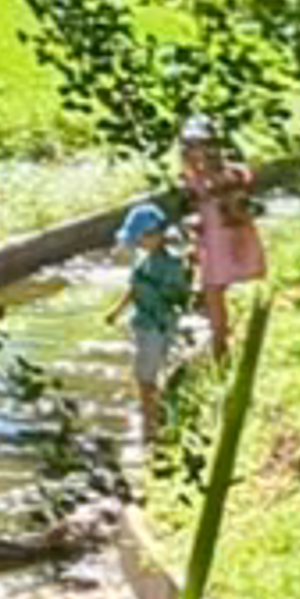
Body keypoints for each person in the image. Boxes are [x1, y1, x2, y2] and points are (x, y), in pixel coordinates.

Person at [178, 110, 268, 359]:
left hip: (224, 242)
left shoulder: (220, 178)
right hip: (216, 242)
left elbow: (234, 201)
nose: (196, 153)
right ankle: (223, 345)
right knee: (215, 292)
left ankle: (224, 347)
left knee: (217, 291)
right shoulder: (210, 177)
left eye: (198, 146)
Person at [113, 196, 193, 458]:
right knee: (145, 377)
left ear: (157, 235)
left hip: (157, 327)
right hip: (143, 325)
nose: (138, 242)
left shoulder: (171, 266)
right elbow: (133, 288)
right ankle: (151, 419)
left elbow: (179, 297)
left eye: (143, 237)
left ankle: (150, 429)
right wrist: (116, 311)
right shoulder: (141, 261)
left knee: (146, 379)